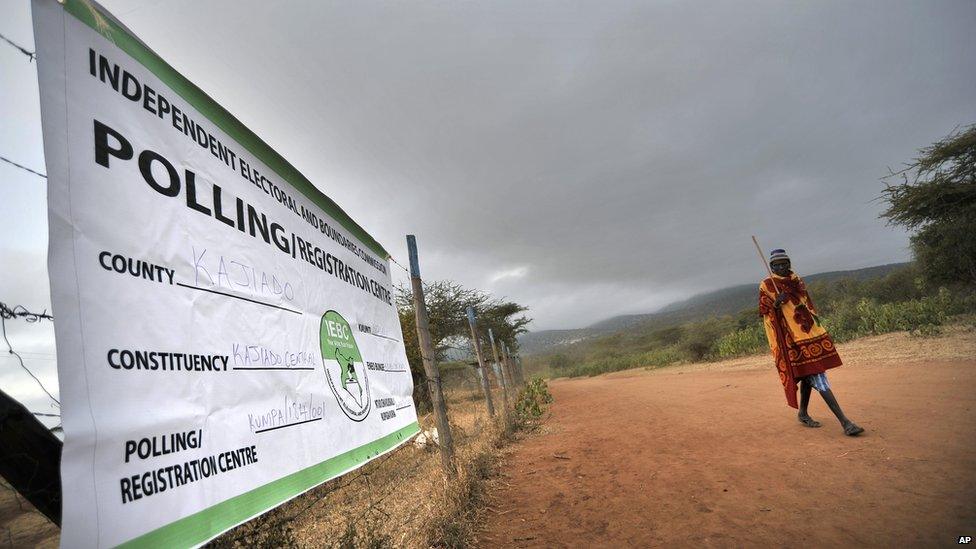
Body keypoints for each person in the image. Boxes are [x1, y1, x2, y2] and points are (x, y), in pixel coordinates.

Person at [758, 249, 864, 436]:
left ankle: (803, 413)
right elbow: (765, 313)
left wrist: (817, 328)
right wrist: (776, 303)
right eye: (777, 265)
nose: (782, 267)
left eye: (784, 263)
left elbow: (808, 305)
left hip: (808, 334)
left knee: (810, 373)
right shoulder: (767, 285)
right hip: (791, 340)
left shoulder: (797, 280)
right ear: (772, 266)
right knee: (816, 375)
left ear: (789, 263)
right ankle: (846, 423)